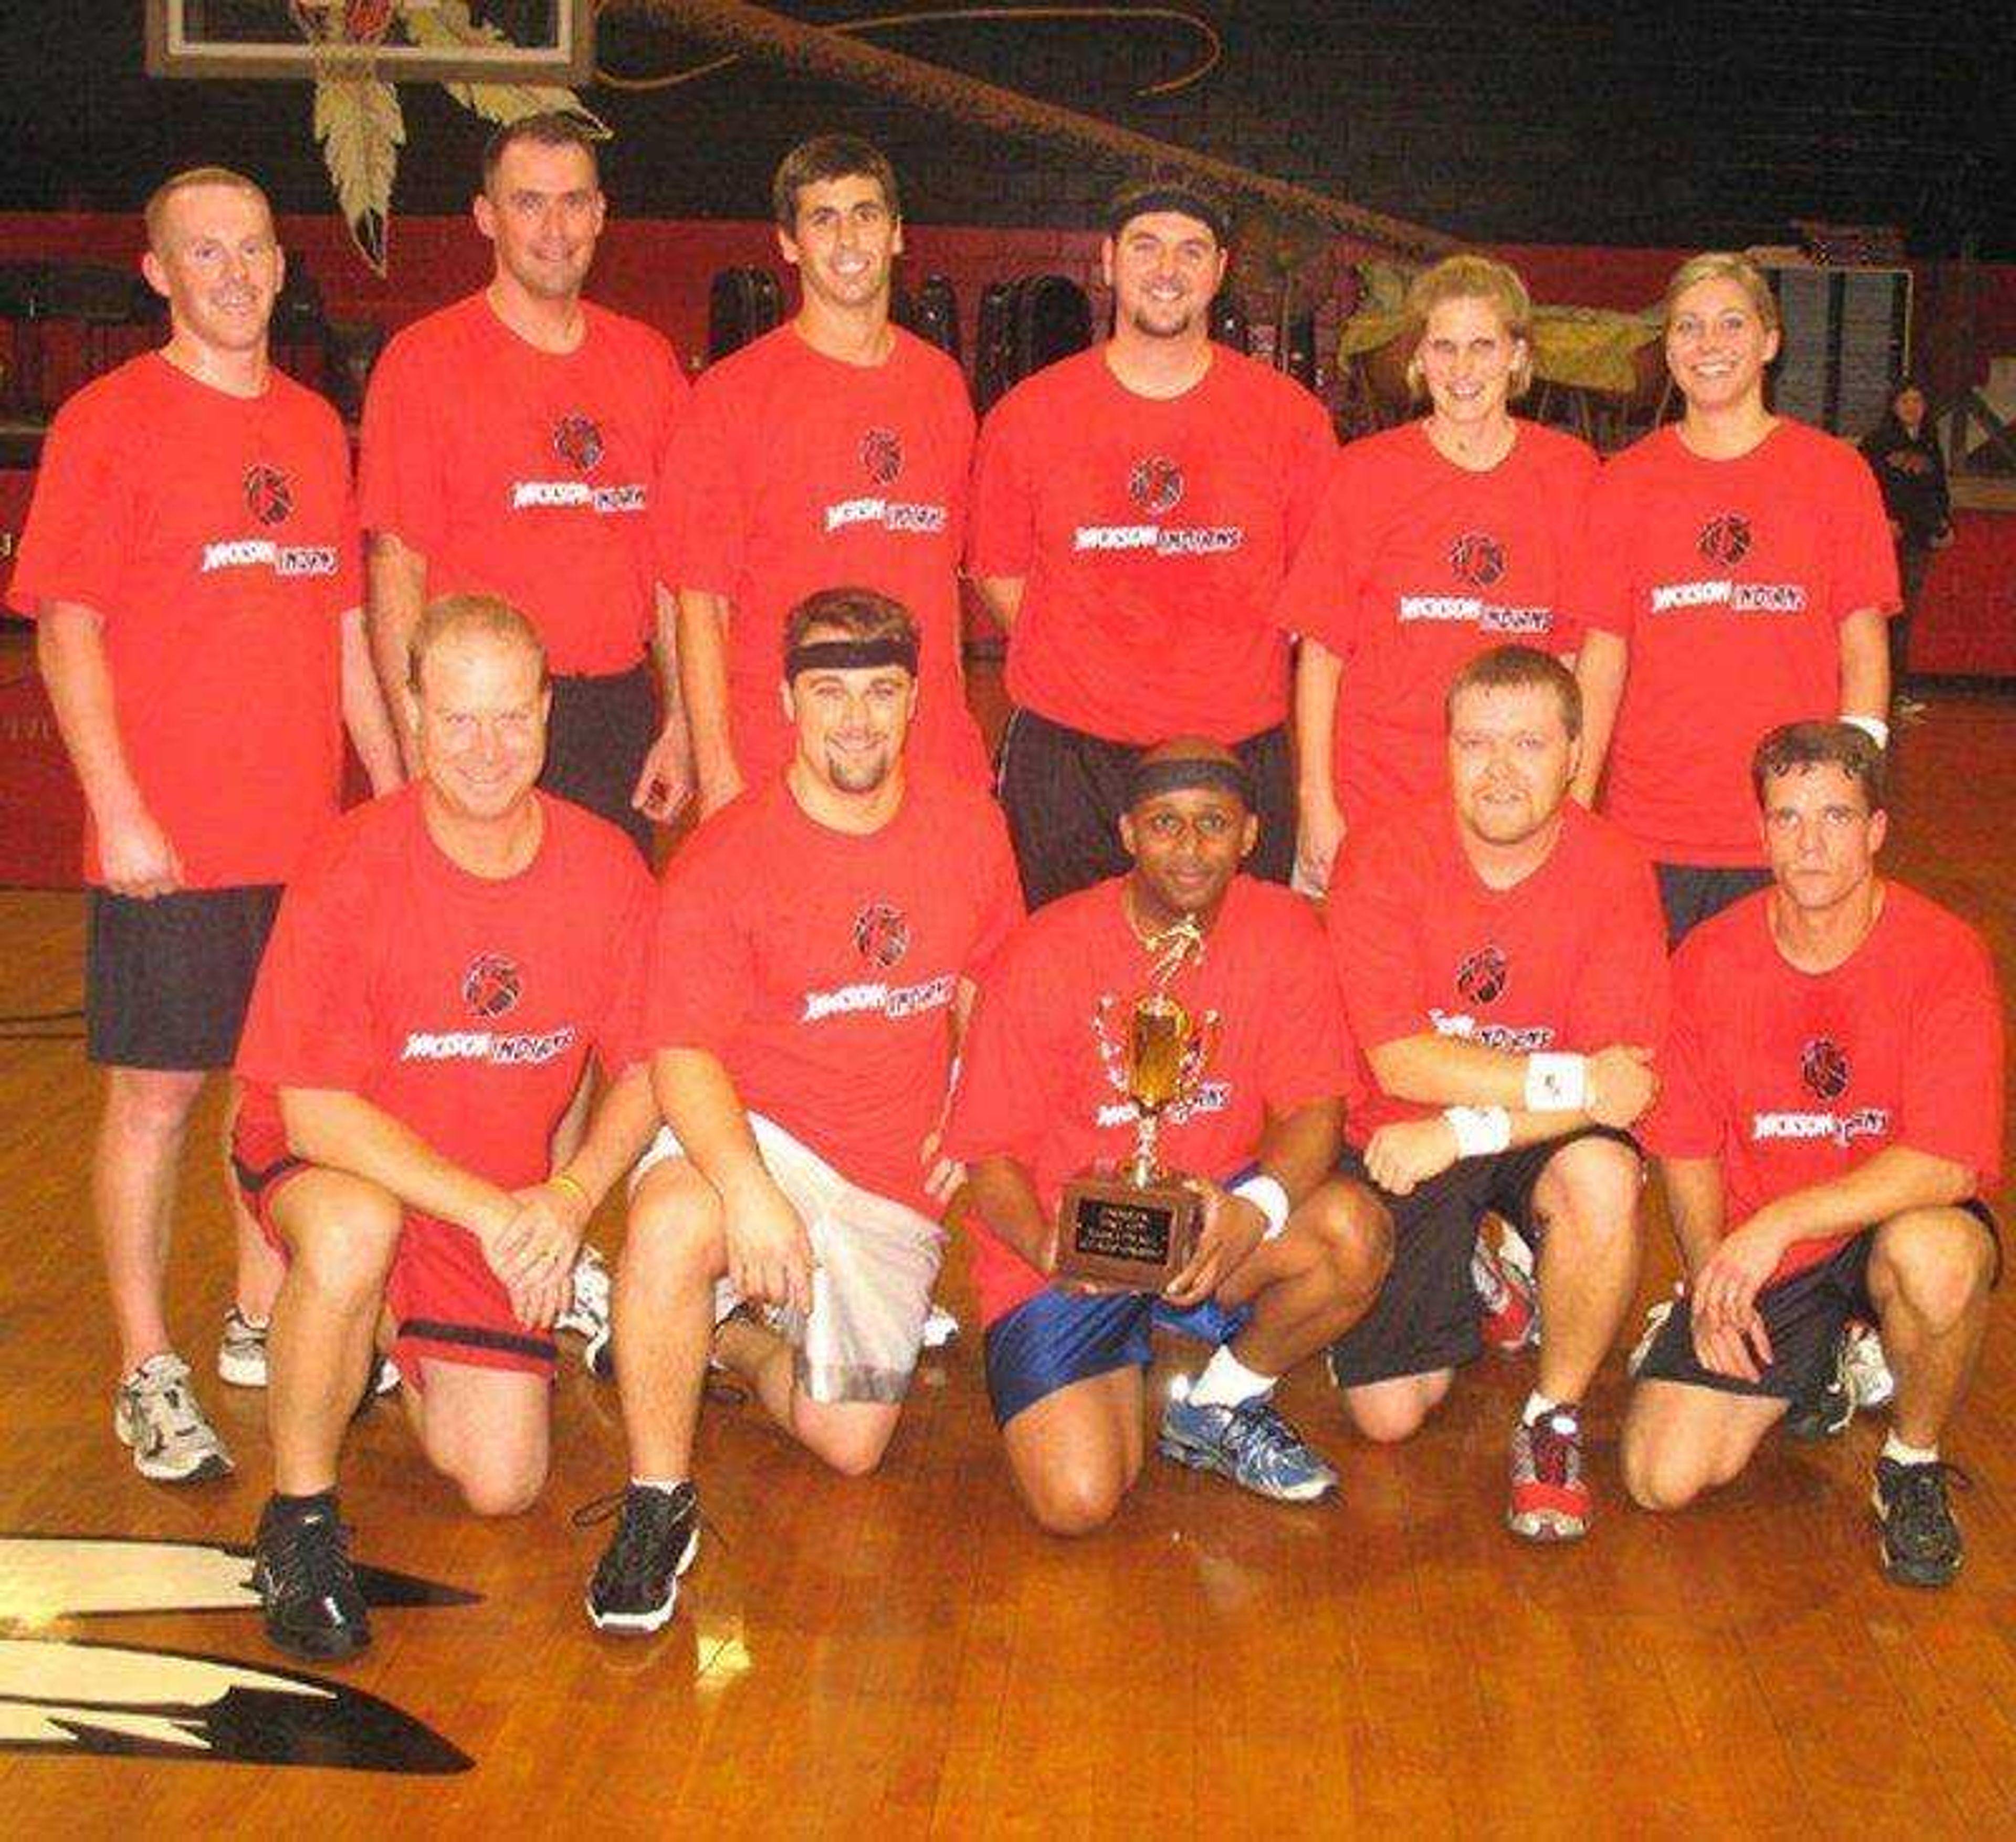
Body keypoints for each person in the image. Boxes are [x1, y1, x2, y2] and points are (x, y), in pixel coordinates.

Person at [7, 165, 402, 1482]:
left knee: (278, 1105)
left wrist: (393, 793)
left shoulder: (307, 424)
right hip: (166, 844)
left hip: (303, 842)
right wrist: (117, 809)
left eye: (253, 251)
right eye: (205, 253)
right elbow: (67, 627)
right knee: (158, 1100)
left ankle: (252, 1318)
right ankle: (143, 1364)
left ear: (281, 270)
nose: (235, 274)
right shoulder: (107, 423)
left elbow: (346, 627)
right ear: (158, 273)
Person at [585, 588, 1021, 1634]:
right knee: (678, 1217)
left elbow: (990, 987)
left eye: (880, 691)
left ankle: (722, 1335)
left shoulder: (970, 827)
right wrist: (748, 1190)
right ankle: (658, 1499)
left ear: (915, 698)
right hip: (756, 1132)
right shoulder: (727, 853)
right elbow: (680, 1050)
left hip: (886, 1175)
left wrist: (973, 1110)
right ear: (786, 700)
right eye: (830, 692)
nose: (858, 718)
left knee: (850, 1440)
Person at [233, 594, 659, 1660]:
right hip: (340, 1148)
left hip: (500, 1182)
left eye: (512, 717)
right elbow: (314, 1106)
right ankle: (298, 1517)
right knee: (351, 1231)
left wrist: (566, 1200)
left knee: (504, 1482)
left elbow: (654, 1064)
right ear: (414, 713)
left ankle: (371, 1323)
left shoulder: (607, 864)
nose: (487, 748)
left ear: (549, 711)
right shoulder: (350, 865)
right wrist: (497, 1212)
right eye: (459, 719)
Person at [947, 740, 1392, 1532]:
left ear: (1251, 834)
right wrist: (1048, 1246)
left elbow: (1316, 1108)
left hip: (1215, 1232)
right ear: (1126, 832)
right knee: (1078, 1503)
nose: (1189, 850)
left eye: (1212, 824)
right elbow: (989, 1154)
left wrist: (1254, 1207)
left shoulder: (1285, 930)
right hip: (1068, 1257)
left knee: (1353, 1235)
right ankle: (1150, 1351)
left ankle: (1219, 1400)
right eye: (1165, 825)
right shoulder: (1047, 949)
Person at [1622, 722, 2002, 1588]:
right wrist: (1712, 1272)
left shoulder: (1943, 952)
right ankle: (1820, 1360)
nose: (1811, 841)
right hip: (1771, 1250)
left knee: (1940, 1258)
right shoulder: (1709, 959)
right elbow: (1685, 1144)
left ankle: (1910, 1461)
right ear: (1760, 834)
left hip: (1887, 1216)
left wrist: (1781, 1221)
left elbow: (1948, 1161)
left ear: (1876, 829)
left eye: (1836, 816)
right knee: (1659, 1476)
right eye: (1788, 817)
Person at [1325, 646, 1668, 1542]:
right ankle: (1482, 1283)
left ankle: (1551, 1417)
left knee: (1601, 1176)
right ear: (1445, 749)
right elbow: (1401, 1063)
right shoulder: (1383, 852)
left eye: (1529, 742)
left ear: (1575, 750)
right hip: (1409, 1125)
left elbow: (1622, 1089)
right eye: (1477, 742)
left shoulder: (1616, 866)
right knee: (1387, 1413)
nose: (1502, 769)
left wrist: (1467, 1125)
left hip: (1512, 1132)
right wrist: (1574, 1078)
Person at [969, 175, 1336, 908]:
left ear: (1221, 271)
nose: (1167, 270)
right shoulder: (1031, 415)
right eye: (1146, 246)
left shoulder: (1287, 420)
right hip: (1071, 762)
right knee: (1073, 984)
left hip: (1233, 753)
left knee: (1223, 996)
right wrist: (1093, 661)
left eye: (1191, 251)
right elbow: (999, 575)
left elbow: (1317, 600)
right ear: (1107, 261)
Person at [359, 112, 691, 859]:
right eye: (529, 202)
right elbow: (397, 567)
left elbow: (675, 569)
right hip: (483, 723)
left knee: (604, 950)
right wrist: (420, 739)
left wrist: (683, 721)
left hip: (615, 714)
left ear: (601, 213)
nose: (555, 226)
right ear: (486, 216)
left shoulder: (647, 362)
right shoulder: (425, 363)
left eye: (575, 201)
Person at [1573, 251, 1898, 947]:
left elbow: (1864, 647)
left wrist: (1850, 799)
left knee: (1774, 1046)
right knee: (1655, 1043)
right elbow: (1603, 655)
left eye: (1730, 324)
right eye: (1688, 327)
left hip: (1789, 830)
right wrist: (1574, 804)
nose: (1709, 344)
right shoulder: (1627, 481)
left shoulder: (1835, 474)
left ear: (1770, 340)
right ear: (1668, 349)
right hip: (1654, 828)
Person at [661, 133, 988, 815]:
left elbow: (941, 578)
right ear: (788, 243)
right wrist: (720, 777)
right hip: (781, 765)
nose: (848, 238)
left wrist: (956, 737)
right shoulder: (733, 396)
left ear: (897, 235)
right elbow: (702, 604)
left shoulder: (940, 384)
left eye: (866, 215)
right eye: (823, 218)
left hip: (924, 760)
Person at [1276, 254, 1596, 893]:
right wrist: (1316, 802)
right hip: (1377, 794)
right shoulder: (1366, 472)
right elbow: (1321, 653)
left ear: (1517, 355)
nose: (1462, 369)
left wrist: (1570, 800)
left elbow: (1574, 660)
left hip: (1510, 806)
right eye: (1443, 347)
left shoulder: (1570, 473)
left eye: (1483, 346)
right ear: (1419, 358)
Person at [1859, 378, 1952, 719]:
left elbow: (1938, 488)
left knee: (1905, 618)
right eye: (1905, 401)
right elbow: (1863, 488)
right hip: (1886, 540)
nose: (1912, 407)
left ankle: (1897, 691)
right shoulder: (1878, 443)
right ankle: (1878, 691)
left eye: (1918, 401)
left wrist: (1944, 523)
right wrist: (1883, 519)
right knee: (1885, 616)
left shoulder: (1930, 443)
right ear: (1894, 406)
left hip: (1918, 539)